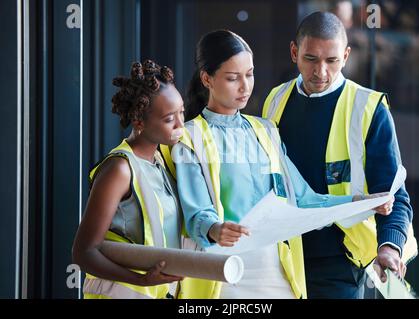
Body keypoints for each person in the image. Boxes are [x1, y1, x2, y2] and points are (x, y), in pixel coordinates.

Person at [163, 29, 393, 299]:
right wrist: (214, 229)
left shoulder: (266, 131)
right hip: (224, 272)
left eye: (249, 74)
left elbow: (305, 199)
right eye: (232, 78)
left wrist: (363, 202)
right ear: (207, 79)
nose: (245, 86)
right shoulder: (188, 137)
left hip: (276, 269)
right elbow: (196, 213)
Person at [262, 12, 418, 299]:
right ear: (294, 52)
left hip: (340, 267)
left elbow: (394, 196)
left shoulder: (369, 108)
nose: (321, 71)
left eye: (331, 61)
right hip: (281, 259)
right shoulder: (275, 100)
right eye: (311, 59)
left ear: (345, 56)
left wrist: (389, 246)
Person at [72, 59, 185, 299]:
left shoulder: (160, 161)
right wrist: (142, 280)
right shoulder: (120, 169)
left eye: (181, 112)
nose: (180, 125)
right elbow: (83, 252)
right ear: (139, 122)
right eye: (169, 119)